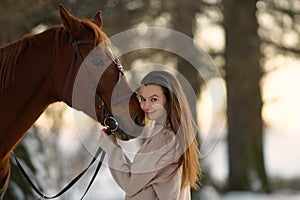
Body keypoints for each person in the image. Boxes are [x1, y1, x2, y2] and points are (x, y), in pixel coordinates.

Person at [99, 70, 201, 200]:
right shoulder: (171, 135)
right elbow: (137, 176)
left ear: (169, 100)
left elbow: (130, 185)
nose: (146, 106)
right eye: (143, 99)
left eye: (153, 99)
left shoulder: (164, 140)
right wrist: (113, 145)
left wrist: (111, 148)